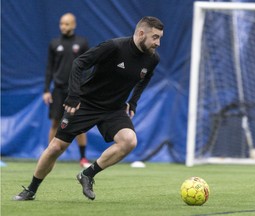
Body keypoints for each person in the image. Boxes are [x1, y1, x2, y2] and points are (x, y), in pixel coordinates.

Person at [13, 16, 164, 201]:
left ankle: (87, 174)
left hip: (113, 109)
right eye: (155, 37)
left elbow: (145, 77)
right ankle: (31, 190)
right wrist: (74, 95)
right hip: (86, 103)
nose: (158, 43)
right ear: (141, 34)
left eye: (159, 38)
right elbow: (79, 63)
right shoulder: (114, 47)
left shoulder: (152, 59)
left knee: (129, 141)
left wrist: (133, 101)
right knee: (55, 147)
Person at [42, 13, 91, 168]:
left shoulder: (81, 43)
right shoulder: (54, 43)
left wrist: (84, 88)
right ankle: (49, 157)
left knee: (78, 124)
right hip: (58, 90)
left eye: (67, 24)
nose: (64, 26)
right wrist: (46, 90)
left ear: (74, 25)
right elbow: (50, 68)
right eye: (62, 23)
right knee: (55, 122)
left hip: (76, 91)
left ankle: (83, 158)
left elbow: (88, 67)